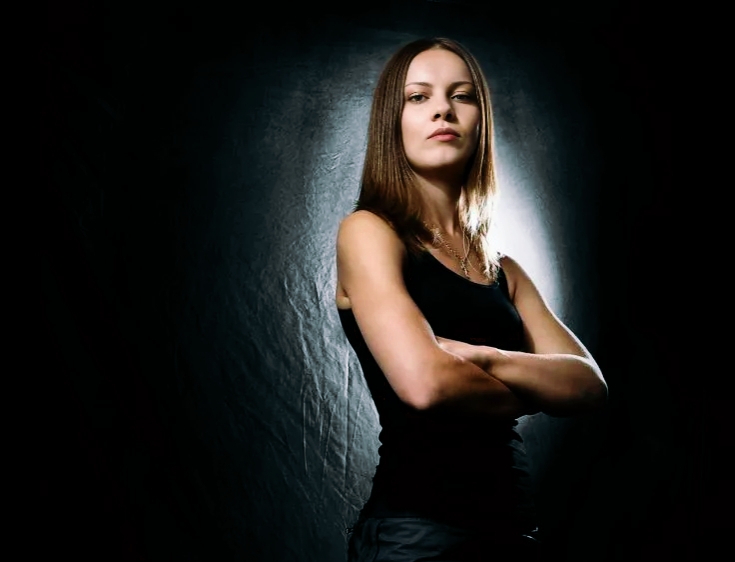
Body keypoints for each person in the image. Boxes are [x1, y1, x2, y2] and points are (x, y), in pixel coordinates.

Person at [335, 37, 608, 562]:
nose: (443, 109)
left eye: (461, 95)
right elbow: (426, 383)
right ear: (392, 121)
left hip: (514, 529)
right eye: (419, 97)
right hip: (418, 533)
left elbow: (589, 386)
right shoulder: (369, 231)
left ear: (481, 121)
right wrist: (538, 390)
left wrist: (483, 358)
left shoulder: (502, 268)